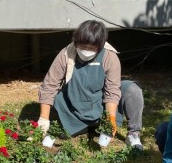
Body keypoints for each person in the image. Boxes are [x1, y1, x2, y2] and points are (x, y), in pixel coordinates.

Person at [37, 20, 145, 150]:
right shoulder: (66, 54)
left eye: (92, 48)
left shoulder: (109, 57)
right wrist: (43, 119)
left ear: (100, 46)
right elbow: (49, 85)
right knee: (60, 126)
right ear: (76, 42)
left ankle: (133, 134)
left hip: (101, 106)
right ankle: (77, 125)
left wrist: (110, 119)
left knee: (132, 89)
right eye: (82, 47)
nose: (86, 51)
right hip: (73, 106)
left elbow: (112, 91)